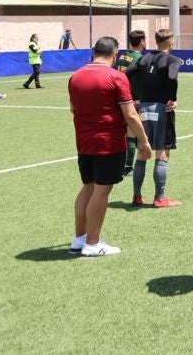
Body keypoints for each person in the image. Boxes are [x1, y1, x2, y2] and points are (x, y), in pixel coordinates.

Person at [68, 37, 153, 257]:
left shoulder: (75, 76)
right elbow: (131, 114)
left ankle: (80, 238)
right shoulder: (116, 77)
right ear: (114, 54)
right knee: (101, 190)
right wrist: (143, 141)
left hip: (83, 140)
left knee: (87, 186)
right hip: (108, 141)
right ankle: (93, 243)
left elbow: (72, 108)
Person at [128, 29, 181, 208]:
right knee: (162, 153)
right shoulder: (173, 60)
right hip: (161, 109)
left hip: (143, 109)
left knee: (143, 151)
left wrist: (135, 95)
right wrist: (172, 98)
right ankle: (160, 198)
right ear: (170, 42)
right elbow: (172, 77)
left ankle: (136, 196)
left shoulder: (144, 58)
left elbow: (125, 74)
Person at [116, 30, 146, 179]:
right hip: (132, 100)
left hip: (120, 99)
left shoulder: (122, 56)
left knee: (125, 134)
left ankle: (121, 165)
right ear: (142, 41)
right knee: (132, 134)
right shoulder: (139, 58)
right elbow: (140, 82)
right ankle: (128, 167)